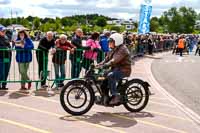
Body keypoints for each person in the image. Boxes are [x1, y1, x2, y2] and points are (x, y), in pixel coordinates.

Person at [97, 33, 131, 105]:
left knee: (110, 76)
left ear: (117, 41)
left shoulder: (123, 49)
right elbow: (106, 59)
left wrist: (106, 65)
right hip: (116, 68)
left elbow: (115, 60)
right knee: (102, 76)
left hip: (124, 70)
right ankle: (104, 97)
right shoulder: (113, 49)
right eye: (109, 41)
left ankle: (116, 96)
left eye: (111, 41)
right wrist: (99, 65)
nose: (109, 43)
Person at [0, 26, 12, 90]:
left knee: (6, 71)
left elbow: (9, 45)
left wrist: (9, 48)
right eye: (2, 31)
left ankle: (4, 85)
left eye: (4, 31)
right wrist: (5, 48)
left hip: (7, 57)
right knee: (1, 71)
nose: (4, 32)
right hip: (1, 57)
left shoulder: (6, 37)